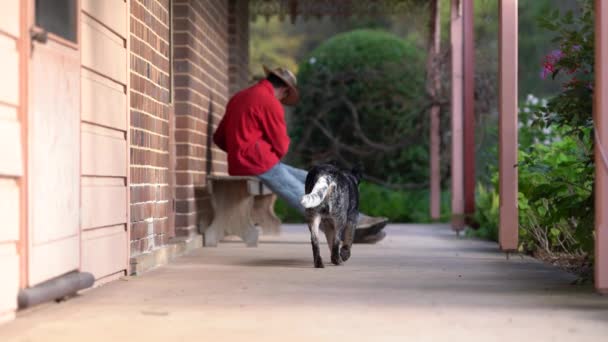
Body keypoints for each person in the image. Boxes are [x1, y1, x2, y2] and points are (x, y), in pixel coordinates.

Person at [213, 66, 388, 243]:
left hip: (249, 163)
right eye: (284, 97)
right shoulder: (269, 101)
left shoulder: (237, 98)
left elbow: (219, 138)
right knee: (301, 193)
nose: (282, 100)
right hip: (260, 163)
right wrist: (256, 151)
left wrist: (240, 150)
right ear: (285, 89)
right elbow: (281, 145)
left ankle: (356, 218)